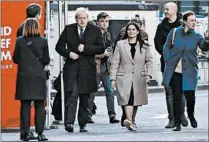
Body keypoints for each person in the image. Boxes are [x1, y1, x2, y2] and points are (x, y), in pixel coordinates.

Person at [55, 7, 105, 133]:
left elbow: (101, 48)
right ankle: (69, 123)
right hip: (72, 67)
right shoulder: (68, 29)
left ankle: (82, 124)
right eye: (80, 18)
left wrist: (86, 48)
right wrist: (69, 53)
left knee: (85, 96)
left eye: (84, 18)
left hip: (87, 68)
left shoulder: (95, 30)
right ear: (76, 18)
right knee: (72, 95)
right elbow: (59, 46)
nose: (82, 20)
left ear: (88, 19)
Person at [162, 11, 209, 131]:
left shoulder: (197, 36)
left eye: (195, 20)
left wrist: (207, 38)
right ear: (185, 21)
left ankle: (191, 115)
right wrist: (169, 60)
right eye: (192, 20)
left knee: (190, 97)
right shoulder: (174, 33)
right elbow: (166, 47)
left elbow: (204, 47)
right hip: (175, 71)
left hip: (190, 72)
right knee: (177, 98)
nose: (194, 22)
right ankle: (177, 123)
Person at [110, 22, 153, 131]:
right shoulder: (120, 44)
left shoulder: (145, 45)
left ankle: (131, 120)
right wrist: (113, 78)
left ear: (138, 31)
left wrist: (148, 75)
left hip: (139, 77)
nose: (131, 31)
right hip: (124, 76)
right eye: (129, 29)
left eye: (134, 29)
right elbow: (115, 62)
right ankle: (129, 120)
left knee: (135, 99)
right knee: (126, 99)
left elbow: (149, 61)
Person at [13, 18, 50, 141]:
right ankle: (40, 133)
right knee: (40, 105)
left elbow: (15, 59)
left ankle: (26, 133)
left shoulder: (19, 41)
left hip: (24, 77)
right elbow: (47, 60)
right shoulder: (44, 41)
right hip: (39, 76)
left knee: (25, 105)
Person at [154, 2, 188, 128]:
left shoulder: (184, 25)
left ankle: (181, 114)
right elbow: (158, 43)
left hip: (182, 64)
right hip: (167, 63)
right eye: (164, 9)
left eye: (167, 9)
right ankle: (172, 119)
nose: (165, 11)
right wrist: (166, 55)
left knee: (181, 91)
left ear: (174, 10)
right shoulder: (161, 26)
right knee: (169, 92)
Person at [16, 3, 43, 140]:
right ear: (38, 14)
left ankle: (25, 132)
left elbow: (17, 57)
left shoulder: (21, 28)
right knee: (37, 104)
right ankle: (33, 132)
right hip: (37, 73)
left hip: (24, 73)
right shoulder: (35, 31)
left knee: (26, 104)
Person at [87, 12, 119, 124]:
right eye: (102, 21)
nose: (104, 24)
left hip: (106, 66)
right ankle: (87, 115)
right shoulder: (92, 35)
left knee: (110, 91)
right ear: (97, 22)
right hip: (95, 66)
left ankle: (112, 115)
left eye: (106, 21)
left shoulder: (108, 34)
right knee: (92, 92)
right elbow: (88, 51)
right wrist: (102, 54)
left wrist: (110, 55)